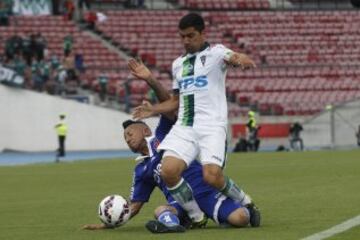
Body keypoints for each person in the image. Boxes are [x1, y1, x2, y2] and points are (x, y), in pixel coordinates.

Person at [131, 13, 260, 226]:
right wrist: (153, 110)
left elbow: (233, 56)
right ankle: (196, 217)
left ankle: (246, 201)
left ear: (202, 33)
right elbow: (175, 102)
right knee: (168, 171)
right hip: (185, 126)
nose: (186, 41)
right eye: (182, 37)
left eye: (190, 36)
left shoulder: (216, 53)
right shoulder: (178, 65)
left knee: (211, 177)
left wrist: (241, 59)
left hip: (211, 127)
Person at [83, 72, 253, 233]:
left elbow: (168, 104)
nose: (127, 139)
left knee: (241, 219)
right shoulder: (141, 170)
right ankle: (172, 226)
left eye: (129, 134)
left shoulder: (163, 135)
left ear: (145, 130)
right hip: (180, 204)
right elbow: (134, 205)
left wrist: (150, 79)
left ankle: (243, 208)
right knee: (160, 210)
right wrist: (108, 223)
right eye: (125, 138)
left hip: (204, 191)